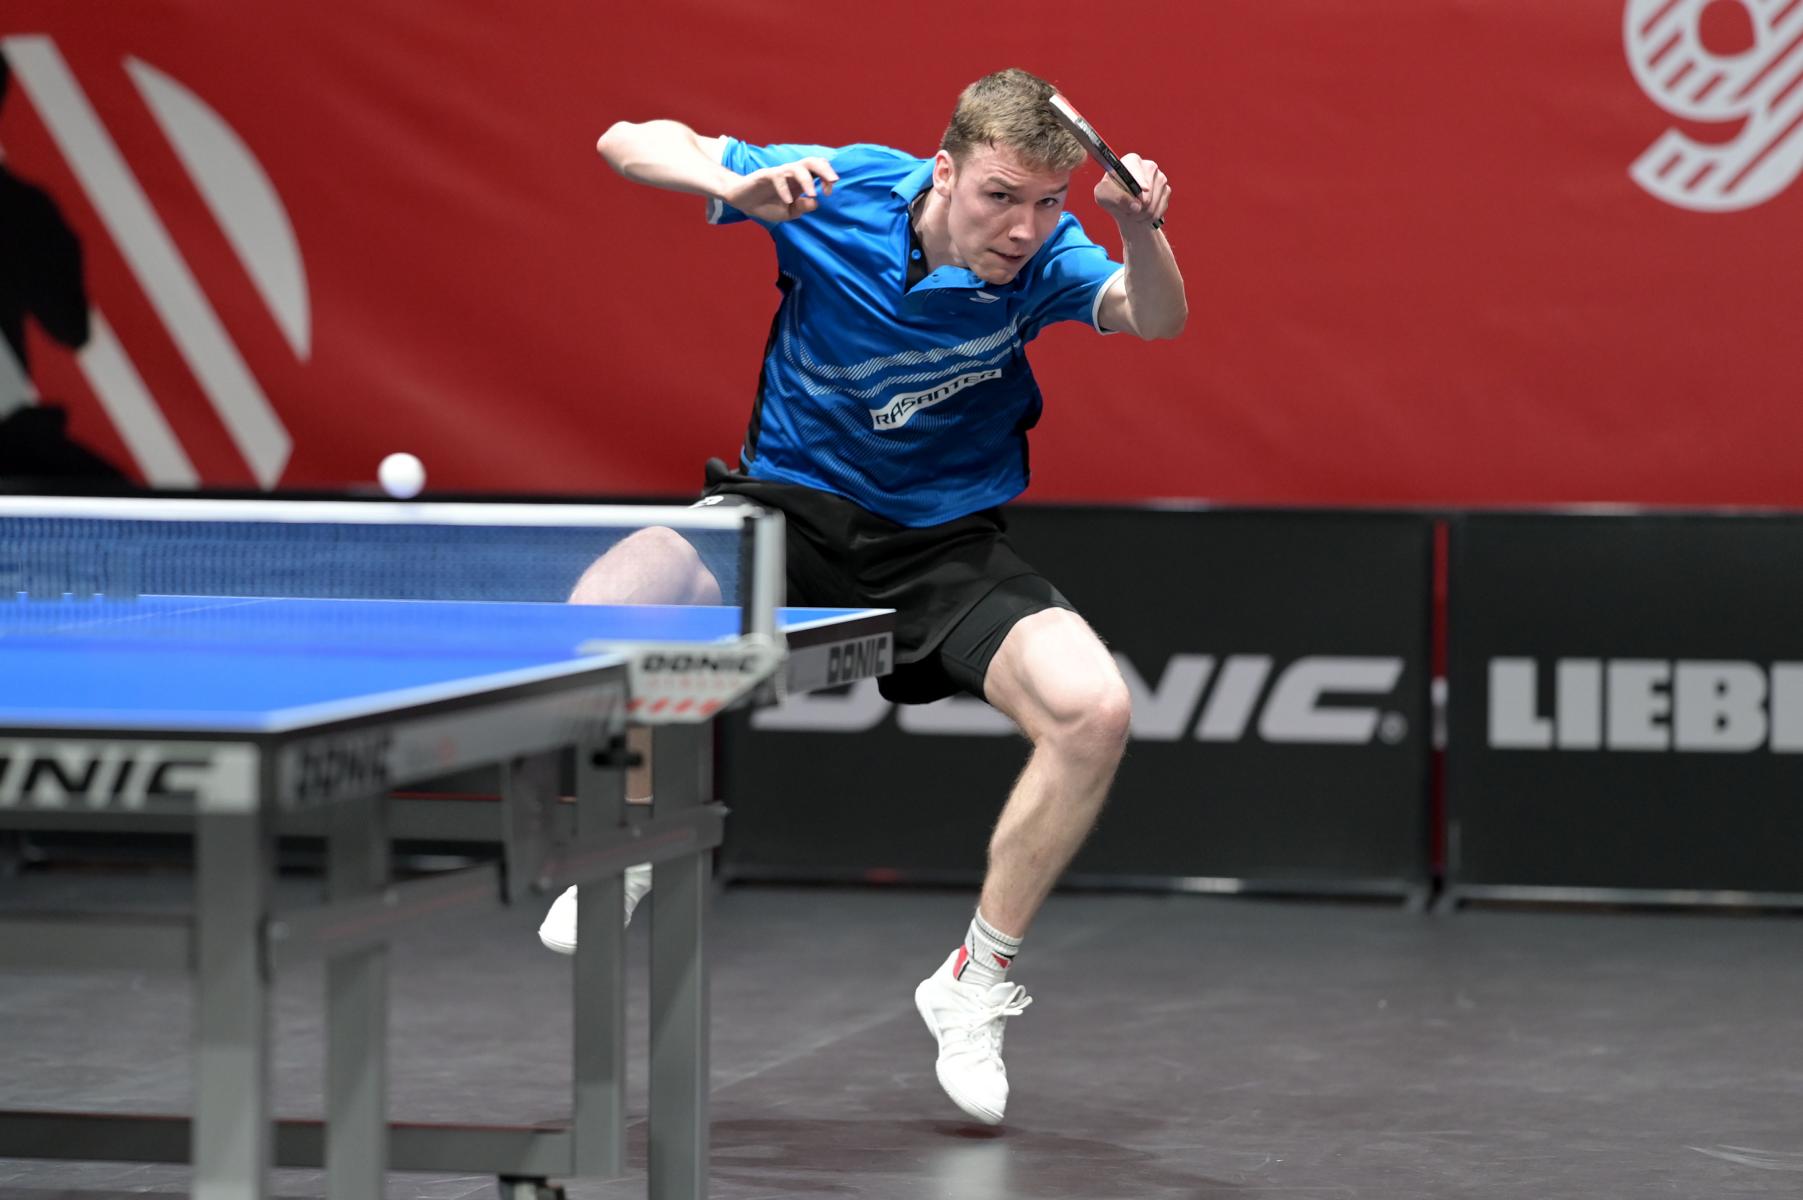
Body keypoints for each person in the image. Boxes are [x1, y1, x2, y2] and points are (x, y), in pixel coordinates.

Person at [542, 67, 1185, 1126]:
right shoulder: (837, 193)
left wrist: (1139, 230)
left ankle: (974, 982)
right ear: (944, 172)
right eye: (1000, 197)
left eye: (1046, 203)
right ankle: (634, 836)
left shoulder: (1048, 258)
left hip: (941, 546)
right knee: (614, 596)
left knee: (1095, 710)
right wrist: (725, 182)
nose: (1022, 229)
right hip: (786, 510)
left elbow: (1153, 319)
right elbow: (624, 137)